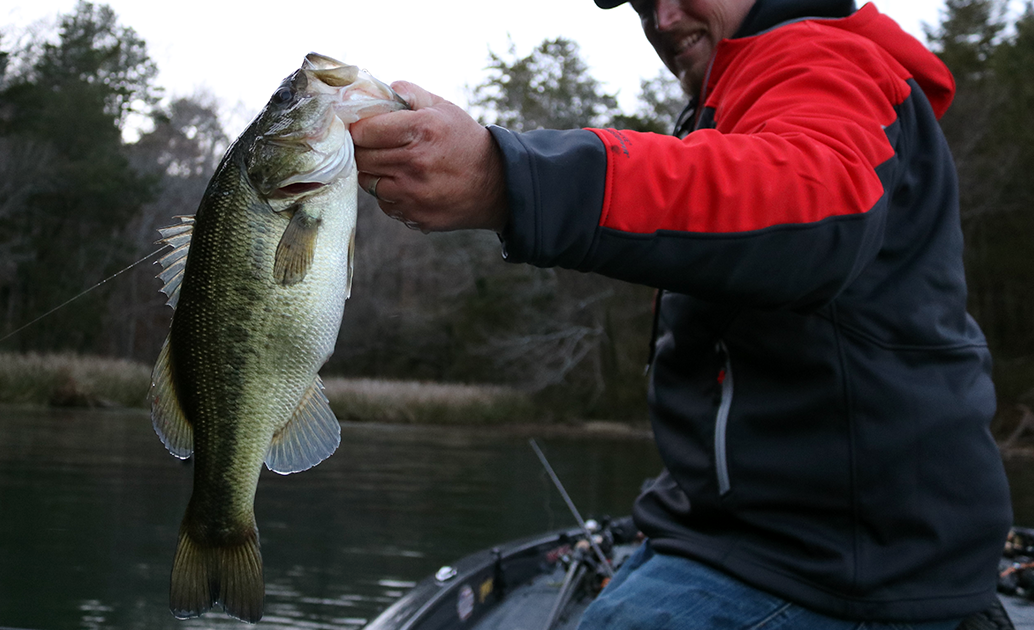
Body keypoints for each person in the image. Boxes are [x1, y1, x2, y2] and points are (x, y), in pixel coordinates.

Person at [350, 0, 1013, 628]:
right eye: (642, 3)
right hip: (744, 537)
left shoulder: (825, 60)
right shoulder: (741, 96)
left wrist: (507, 177)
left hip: (839, 564)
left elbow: (814, 211)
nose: (662, 18)